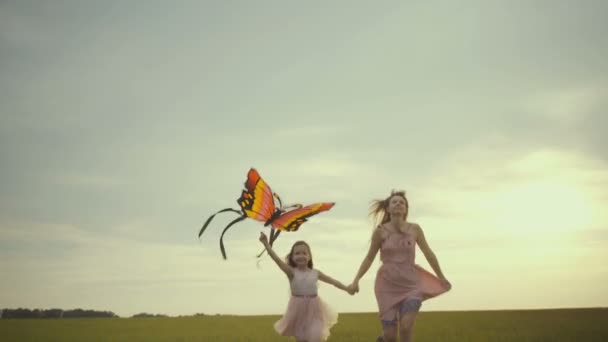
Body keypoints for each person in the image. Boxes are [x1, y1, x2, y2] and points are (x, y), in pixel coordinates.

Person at [348, 190, 451, 342]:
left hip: (412, 285)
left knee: (406, 326)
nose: (398, 204)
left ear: (405, 209)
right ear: (388, 209)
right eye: (394, 202)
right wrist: (356, 280)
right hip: (386, 285)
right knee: (390, 337)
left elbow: (428, 253)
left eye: (402, 202)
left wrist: (441, 276)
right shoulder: (380, 232)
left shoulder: (415, 229)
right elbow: (369, 258)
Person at [259, 232, 355, 342]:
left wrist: (347, 288)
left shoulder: (315, 273)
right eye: (297, 253)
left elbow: (333, 281)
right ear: (292, 257)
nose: (301, 256)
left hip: (315, 309)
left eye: (304, 253)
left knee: (316, 334)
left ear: (309, 256)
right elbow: (277, 260)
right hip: (297, 310)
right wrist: (266, 244)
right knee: (302, 338)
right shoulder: (291, 272)